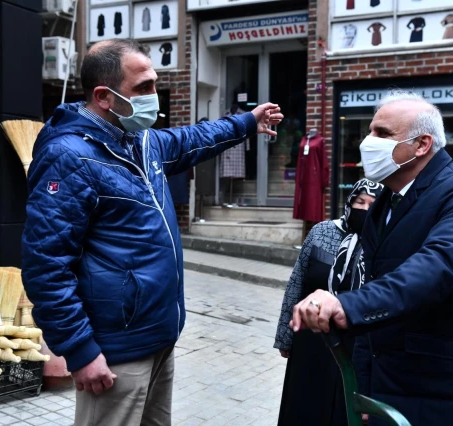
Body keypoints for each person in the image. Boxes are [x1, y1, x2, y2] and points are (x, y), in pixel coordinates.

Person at [21, 39, 283, 426]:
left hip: (158, 335)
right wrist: (80, 351)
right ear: (103, 96)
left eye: (154, 84)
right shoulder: (69, 157)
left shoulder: (139, 140)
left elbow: (193, 139)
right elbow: (46, 265)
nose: (153, 97)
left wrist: (247, 122)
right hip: (115, 351)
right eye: (142, 88)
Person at [291, 90, 453, 425]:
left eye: (382, 134)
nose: (368, 141)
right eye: (370, 131)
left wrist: (347, 305)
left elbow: (434, 268)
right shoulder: (387, 200)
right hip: (391, 391)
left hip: (446, 397)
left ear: (422, 145)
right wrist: (364, 388)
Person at [275, 179, 382, 426]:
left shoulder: (384, 243)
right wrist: (285, 336)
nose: (365, 209)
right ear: (349, 202)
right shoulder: (322, 232)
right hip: (311, 341)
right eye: (360, 202)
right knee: (305, 407)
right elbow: (296, 284)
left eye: (372, 205)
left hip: (355, 345)